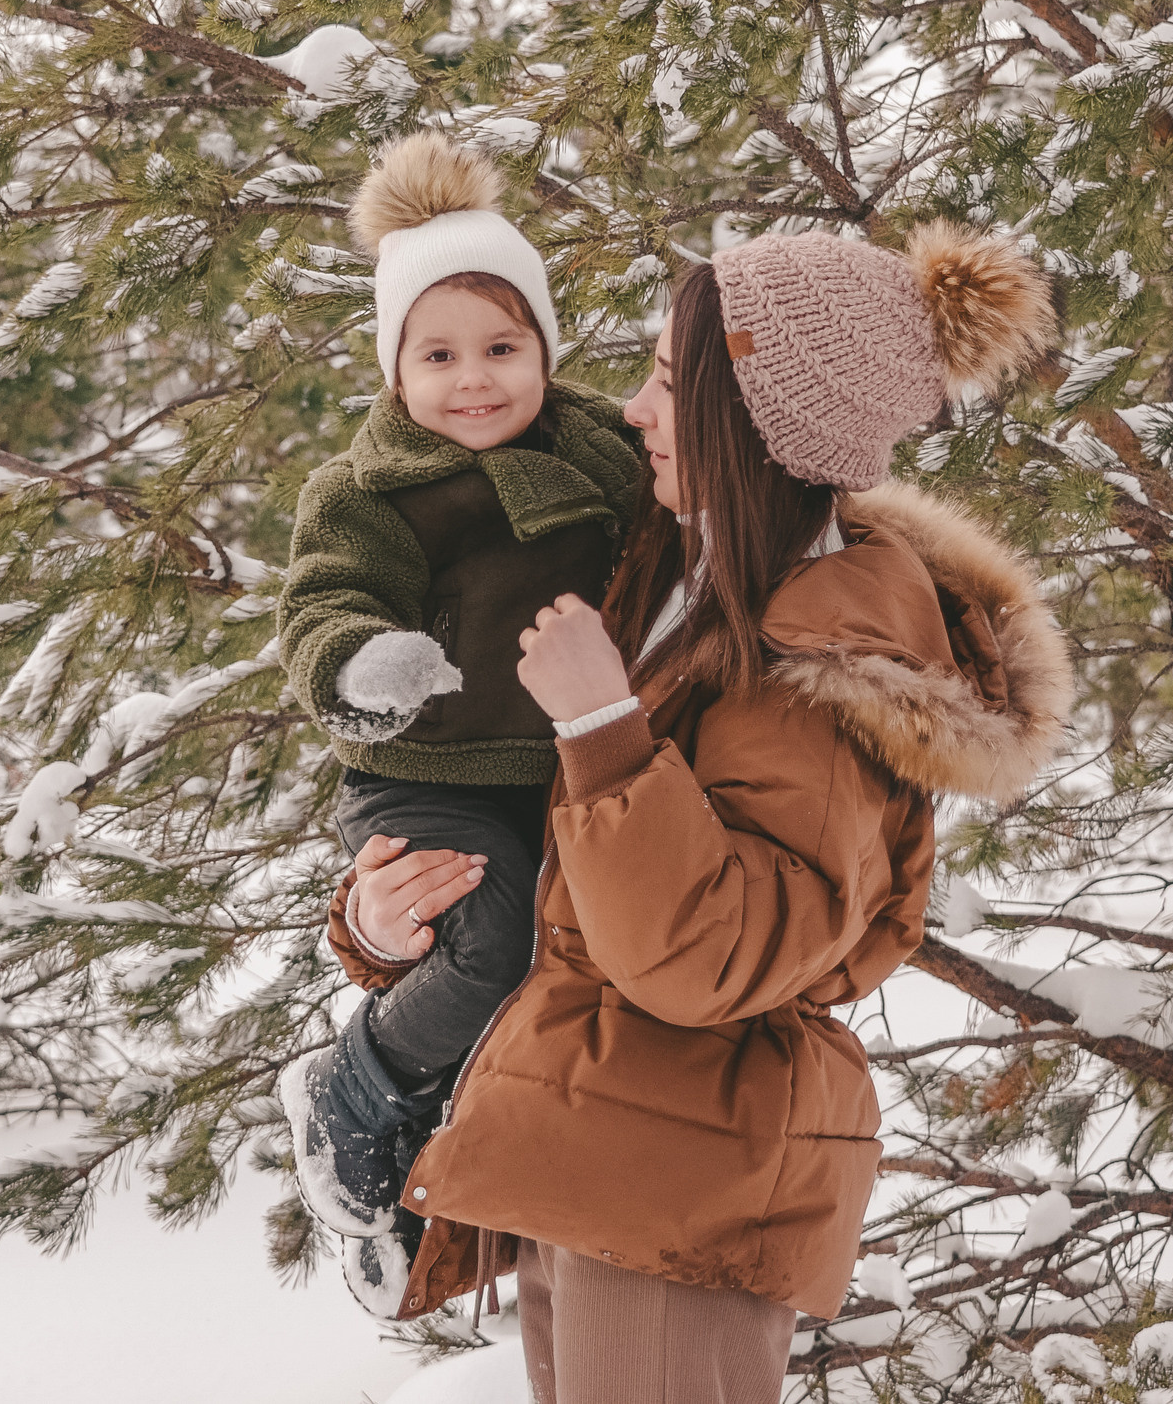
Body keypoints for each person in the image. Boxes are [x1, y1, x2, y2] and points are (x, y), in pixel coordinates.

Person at [327, 223, 1075, 1402]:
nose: (630, 411)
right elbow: (551, 857)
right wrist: (384, 920)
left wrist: (602, 731)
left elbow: (709, 955)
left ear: (757, 419)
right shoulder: (683, 579)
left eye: (670, 383)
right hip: (600, 1151)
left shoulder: (828, 653)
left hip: (682, 1185)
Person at [273, 132, 646, 1310]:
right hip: (424, 772)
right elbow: (321, 605)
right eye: (436, 355)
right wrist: (360, 663)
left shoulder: (602, 450)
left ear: (544, 347)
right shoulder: (367, 489)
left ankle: (429, 1186)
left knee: (560, 977)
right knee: (494, 944)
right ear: (394, 369)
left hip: (559, 767)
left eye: (501, 346)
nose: (472, 379)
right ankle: (358, 1086)